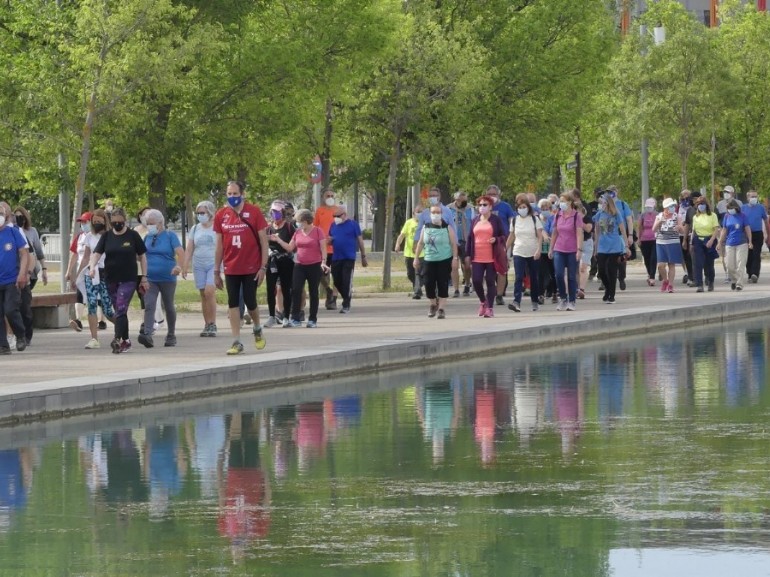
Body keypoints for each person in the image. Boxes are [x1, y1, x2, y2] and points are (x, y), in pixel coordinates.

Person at [214, 180, 269, 355]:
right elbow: (219, 245)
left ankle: (257, 328)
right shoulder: (221, 214)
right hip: (231, 266)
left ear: (242, 194)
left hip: (251, 265)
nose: (232, 197)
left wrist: (263, 267)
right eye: (229, 194)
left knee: (250, 301)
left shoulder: (254, 212)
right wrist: (217, 270)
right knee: (232, 303)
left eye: (235, 194)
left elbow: (263, 241)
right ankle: (236, 341)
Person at [89, 207, 147, 354]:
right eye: (114, 222)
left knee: (121, 307)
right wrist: (92, 267)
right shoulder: (107, 236)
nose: (117, 225)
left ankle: (116, 339)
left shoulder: (133, 236)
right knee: (120, 311)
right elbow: (96, 253)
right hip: (111, 278)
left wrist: (144, 277)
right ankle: (126, 341)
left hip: (128, 278)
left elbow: (142, 256)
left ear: (125, 221)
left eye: (120, 222)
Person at [270, 208, 329, 328]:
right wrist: (278, 240)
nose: (297, 223)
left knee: (313, 292)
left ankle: (312, 319)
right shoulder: (297, 233)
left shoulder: (318, 231)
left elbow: (323, 248)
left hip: (314, 265)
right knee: (296, 290)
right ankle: (295, 318)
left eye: (299, 221)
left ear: (306, 220)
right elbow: (290, 247)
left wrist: (323, 262)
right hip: (299, 265)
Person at [137, 209, 184, 348]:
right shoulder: (147, 237)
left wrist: (178, 267)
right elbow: (142, 255)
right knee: (149, 304)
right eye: (148, 223)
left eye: (152, 223)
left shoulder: (170, 236)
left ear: (160, 223)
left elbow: (181, 253)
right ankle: (147, 334)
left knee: (168, 305)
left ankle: (171, 334)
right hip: (150, 277)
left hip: (167, 277)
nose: (150, 226)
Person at [75, 209, 115, 349]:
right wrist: (79, 274)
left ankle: (122, 329)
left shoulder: (110, 236)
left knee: (107, 309)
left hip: (106, 273)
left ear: (105, 221)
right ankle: (94, 338)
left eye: (100, 221)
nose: (97, 223)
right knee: (91, 304)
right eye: (95, 221)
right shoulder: (89, 237)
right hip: (91, 273)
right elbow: (86, 257)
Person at [413, 203, 459, 319]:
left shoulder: (447, 228)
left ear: (442, 214)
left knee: (442, 283)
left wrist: (455, 258)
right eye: (433, 212)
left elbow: (454, 244)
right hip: (429, 259)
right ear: (429, 214)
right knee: (428, 283)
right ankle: (433, 304)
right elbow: (421, 243)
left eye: (438, 212)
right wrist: (416, 258)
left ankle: (442, 308)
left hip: (444, 259)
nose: (436, 215)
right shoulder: (426, 227)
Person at [465, 194, 505, 317]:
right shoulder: (475, 220)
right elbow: (470, 238)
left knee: (490, 281)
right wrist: (467, 255)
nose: (482, 207)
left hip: (491, 257)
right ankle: (483, 302)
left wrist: (496, 239)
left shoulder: (495, 220)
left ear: (490, 207)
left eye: (485, 205)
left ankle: (490, 307)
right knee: (476, 280)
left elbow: (503, 236)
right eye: (480, 205)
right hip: (477, 256)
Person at [183, 200, 218, 337]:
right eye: (198, 213)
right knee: (203, 294)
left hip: (213, 264)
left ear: (210, 213)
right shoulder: (195, 228)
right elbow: (190, 247)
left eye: (202, 213)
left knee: (210, 291)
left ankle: (213, 323)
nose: (200, 215)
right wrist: (185, 264)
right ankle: (207, 323)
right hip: (199, 264)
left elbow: (222, 246)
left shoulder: (217, 227)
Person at [13, 206, 47, 346]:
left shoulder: (31, 232)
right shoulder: (12, 231)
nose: (18, 219)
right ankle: (17, 334)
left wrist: (44, 269)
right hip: (14, 274)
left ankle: (27, 334)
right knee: (14, 304)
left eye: (21, 216)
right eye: (16, 217)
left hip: (30, 274)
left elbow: (38, 252)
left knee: (24, 305)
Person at [0, 203, 29, 354]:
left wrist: (22, 273)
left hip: (12, 280)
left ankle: (20, 335)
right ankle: (3, 345)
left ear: (6, 216)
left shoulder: (13, 232)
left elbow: (24, 253)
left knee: (10, 310)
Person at [506, 193, 543, 312]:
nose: (522, 209)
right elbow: (511, 236)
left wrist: (539, 249)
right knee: (518, 277)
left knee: (533, 277)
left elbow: (539, 235)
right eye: (520, 207)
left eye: (524, 207)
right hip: (519, 251)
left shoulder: (534, 219)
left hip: (532, 251)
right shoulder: (514, 220)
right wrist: (505, 248)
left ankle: (535, 301)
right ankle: (516, 301)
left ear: (528, 207)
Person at [328, 204, 367, 313]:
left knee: (346, 280)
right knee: (337, 280)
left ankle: (346, 303)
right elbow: (329, 239)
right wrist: (329, 241)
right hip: (336, 257)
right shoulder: (333, 225)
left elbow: (360, 241)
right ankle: (346, 296)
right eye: (334, 216)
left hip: (348, 257)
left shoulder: (353, 224)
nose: (335, 218)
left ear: (344, 215)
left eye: (337, 215)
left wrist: (363, 256)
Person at [548, 192, 583, 311]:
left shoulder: (576, 216)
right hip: (559, 249)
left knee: (571, 276)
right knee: (558, 274)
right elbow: (554, 232)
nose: (561, 203)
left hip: (572, 250)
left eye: (563, 201)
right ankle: (563, 298)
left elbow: (579, 233)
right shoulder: (558, 215)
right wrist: (551, 248)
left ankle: (572, 300)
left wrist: (579, 249)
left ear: (569, 202)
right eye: (560, 201)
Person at [263, 200, 296, 328]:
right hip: (272, 261)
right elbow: (262, 244)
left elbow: (291, 247)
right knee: (271, 289)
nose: (275, 214)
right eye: (273, 212)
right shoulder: (268, 228)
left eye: (277, 212)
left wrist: (277, 239)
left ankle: (286, 317)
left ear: (282, 213)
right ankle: (272, 316)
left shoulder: (289, 227)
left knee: (285, 289)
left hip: (286, 261)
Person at [593, 194, 629, 304]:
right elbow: (597, 232)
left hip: (614, 246)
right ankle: (608, 288)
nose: (602, 205)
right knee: (602, 270)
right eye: (601, 203)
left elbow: (623, 230)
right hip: (602, 246)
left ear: (608, 203)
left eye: (603, 203)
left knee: (612, 271)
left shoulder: (616, 214)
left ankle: (611, 295)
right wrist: (596, 248)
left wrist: (626, 246)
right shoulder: (600, 214)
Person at [484, 185, 514, 305]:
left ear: (499, 194)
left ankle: (500, 295)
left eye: (494, 194)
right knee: (488, 269)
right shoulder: (483, 206)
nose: (492, 196)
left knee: (502, 269)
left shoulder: (505, 207)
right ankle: (491, 292)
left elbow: (512, 222)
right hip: (487, 242)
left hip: (503, 241)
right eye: (489, 194)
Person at [718, 199, 752, 291]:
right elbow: (724, 230)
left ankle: (739, 284)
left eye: (730, 208)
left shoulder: (742, 216)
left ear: (736, 208)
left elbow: (747, 229)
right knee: (729, 265)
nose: (729, 210)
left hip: (742, 243)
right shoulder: (727, 216)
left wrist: (750, 241)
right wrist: (719, 242)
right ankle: (734, 279)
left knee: (740, 264)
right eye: (728, 208)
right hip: (730, 243)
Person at [653, 197, 685, 293]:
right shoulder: (659, 216)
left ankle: (671, 284)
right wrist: (659, 222)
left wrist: (679, 227)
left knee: (672, 265)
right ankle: (665, 280)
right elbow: (653, 229)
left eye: (673, 206)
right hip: (661, 243)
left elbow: (683, 230)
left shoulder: (677, 216)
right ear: (665, 208)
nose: (672, 208)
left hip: (673, 242)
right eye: (670, 206)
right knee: (661, 265)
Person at [65, 211, 91, 332]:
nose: (83, 224)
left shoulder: (96, 236)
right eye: (81, 222)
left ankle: (101, 320)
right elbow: (75, 254)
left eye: (85, 222)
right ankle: (78, 320)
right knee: (80, 294)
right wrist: (69, 271)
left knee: (96, 297)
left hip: (94, 271)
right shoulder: (80, 237)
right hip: (82, 271)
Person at [314, 187, 339, 310]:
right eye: (327, 196)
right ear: (323, 198)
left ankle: (333, 299)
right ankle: (328, 290)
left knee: (337, 274)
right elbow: (315, 227)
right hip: (322, 248)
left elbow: (343, 227)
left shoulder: (338, 211)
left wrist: (334, 238)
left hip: (336, 248)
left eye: (331, 196)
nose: (330, 198)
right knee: (319, 273)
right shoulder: (319, 211)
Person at [605, 186, 634, 290]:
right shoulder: (604, 204)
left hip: (620, 234)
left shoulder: (622, 204)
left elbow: (629, 220)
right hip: (607, 235)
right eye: (609, 192)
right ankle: (606, 280)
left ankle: (621, 277)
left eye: (613, 191)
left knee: (621, 258)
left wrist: (630, 235)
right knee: (607, 258)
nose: (611, 193)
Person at [394, 204, 424, 299]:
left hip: (422, 253)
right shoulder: (409, 223)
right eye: (418, 212)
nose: (419, 214)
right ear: (413, 213)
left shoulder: (425, 223)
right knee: (410, 274)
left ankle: (417, 291)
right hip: (409, 253)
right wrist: (398, 244)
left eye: (421, 212)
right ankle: (417, 286)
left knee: (419, 273)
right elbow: (402, 235)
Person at [690, 196, 719, 293]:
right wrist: (691, 243)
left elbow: (716, 229)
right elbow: (693, 231)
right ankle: (699, 285)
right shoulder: (695, 217)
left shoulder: (713, 215)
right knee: (698, 263)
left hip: (709, 239)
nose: (700, 206)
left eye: (702, 204)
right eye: (698, 204)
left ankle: (710, 281)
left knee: (709, 264)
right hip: (698, 240)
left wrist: (711, 240)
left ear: (706, 205)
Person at [448, 191, 474, 297]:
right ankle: (456, 289)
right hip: (453, 240)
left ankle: (467, 283)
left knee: (467, 264)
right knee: (454, 265)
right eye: (460, 199)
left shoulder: (471, 209)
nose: (462, 202)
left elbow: (474, 223)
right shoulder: (448, 209)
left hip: (466, 240)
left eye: (464, 199)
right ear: (456, 199)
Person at [742, 190, 767, 283]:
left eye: (755, 196)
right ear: (748, 198)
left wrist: (766, 233)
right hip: (746, 234)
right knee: (749, 255)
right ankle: (749, 274)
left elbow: (765, 220)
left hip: (758, 234)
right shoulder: (743, 208)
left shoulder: (761, 207)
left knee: (756, 254)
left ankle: (755, 274)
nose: (754, 198)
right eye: (752, 197)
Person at [637, 198, 658, 286]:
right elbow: (639, 227)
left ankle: (652, 277)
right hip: (644, 239)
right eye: (647, 207)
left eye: (650, 206)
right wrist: (639, 238)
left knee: (653, 258)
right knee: (647, 259)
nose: (649, 208)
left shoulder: (658, 215)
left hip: (655, 239)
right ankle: (650, 274)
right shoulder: (642, 215)